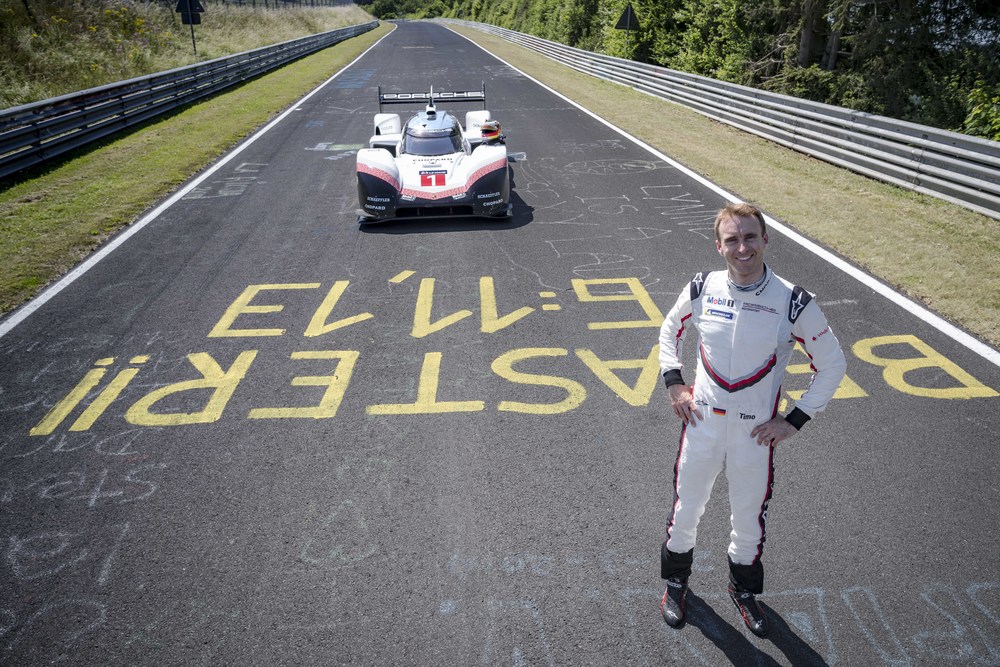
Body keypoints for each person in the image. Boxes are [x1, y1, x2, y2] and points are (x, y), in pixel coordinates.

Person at [657, 202, 846, 636]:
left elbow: (833, 364)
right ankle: (675, 583)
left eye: (750, 237)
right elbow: (671, 331)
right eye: (732, 240)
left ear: (765, 240)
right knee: (686, 511)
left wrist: (794, 421)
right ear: (719, 245)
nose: (742, 248)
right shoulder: (703, 286)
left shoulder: (794, 301)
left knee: (748, 519)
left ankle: (743, 591)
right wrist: (673, 383)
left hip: (754, 434)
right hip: (701, 425)